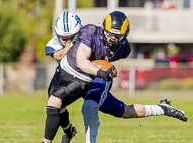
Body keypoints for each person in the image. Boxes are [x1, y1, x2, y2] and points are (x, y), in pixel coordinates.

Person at [78, 11, 188, 143]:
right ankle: (163, 108)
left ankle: (164, 109)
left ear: (124, 36)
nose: (112, 39)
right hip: (79, 74)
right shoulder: (90, 33)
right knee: (56, 104)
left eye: (116, 36)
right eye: (110, 34)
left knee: (92, 107)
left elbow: (107, 62)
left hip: (96, 80)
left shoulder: (123, 49)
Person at [43, 11, 82, 143]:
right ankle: (69, 131)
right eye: (65, 39)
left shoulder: (86, 39)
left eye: (72, 37)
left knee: (90, 107)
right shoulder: (53, 43)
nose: (68, 41)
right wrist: (72, 45)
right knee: (55, 106)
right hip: (63, 75)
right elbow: (59, 56)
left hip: (83, 77)